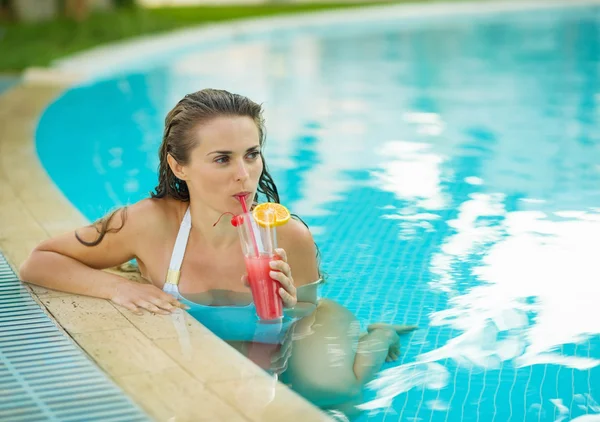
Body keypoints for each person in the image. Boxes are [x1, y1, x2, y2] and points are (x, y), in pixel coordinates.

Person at [19, 88, 415, 418]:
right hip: (232, 343)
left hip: (295, 328)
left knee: (330, 392)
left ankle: (378, 337)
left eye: (251, 153)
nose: (243, 173)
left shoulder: (287, 234)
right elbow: (39, 262)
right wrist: (116, 288)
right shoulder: (147, 224)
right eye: (222, 159)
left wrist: (289, 307)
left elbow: (305, 314)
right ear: (179, 166)